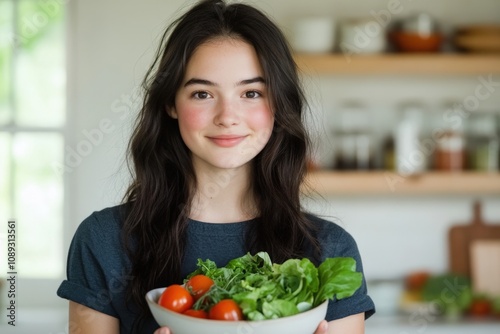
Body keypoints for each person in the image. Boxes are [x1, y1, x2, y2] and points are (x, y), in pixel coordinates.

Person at [57, 0, 375, 333]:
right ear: (170, 103)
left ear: (280, 105)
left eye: (251, 93)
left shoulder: (331, 252)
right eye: (202, 94)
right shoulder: (103, 241)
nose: (227, 117)